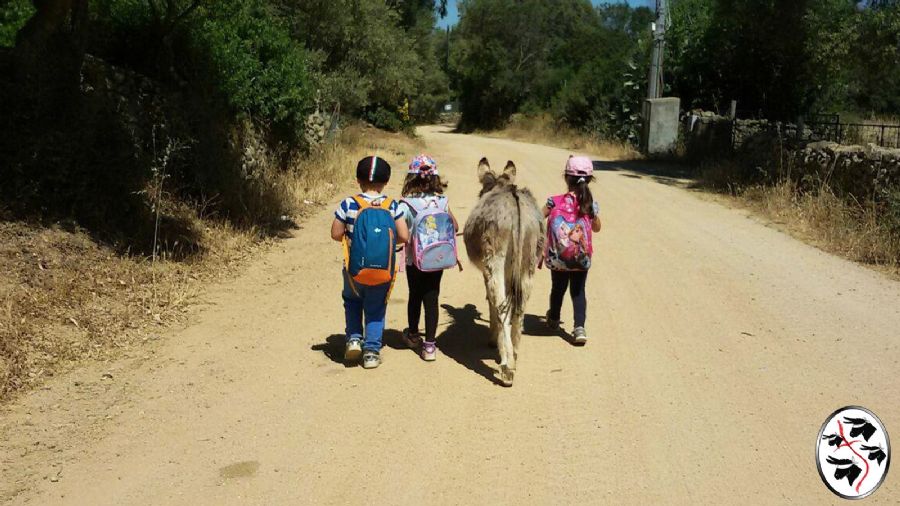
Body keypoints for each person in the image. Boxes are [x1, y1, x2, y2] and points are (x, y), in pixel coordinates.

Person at [331, 155, 409, 369]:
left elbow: (336, 234)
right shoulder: (392, 205)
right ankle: (372, 352)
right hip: (383, 270)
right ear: (386, 182)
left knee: (352, 302)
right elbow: (404, 236)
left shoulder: (348, 203)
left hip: (353, 269)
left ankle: (354, 339)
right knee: (376, 308)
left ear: (358, 179)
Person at [397, 154, 459, 361]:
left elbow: (401, 232)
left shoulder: (406, 204)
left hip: (415, 259)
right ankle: (430, 346)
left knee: (415, 295)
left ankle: (413, 335)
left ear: (411, 178)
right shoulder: (442, 202)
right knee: (432, 298)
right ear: (435, 179)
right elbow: (455, 226)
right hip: (437, 258)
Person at [543, 155, 601, 345]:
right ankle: (579, 328)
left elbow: (537, 217)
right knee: (578, 291)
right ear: (590, 180)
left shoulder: (554, 202)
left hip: (558, 258)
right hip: (581, 258)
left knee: (557, 288)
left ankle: (553, 319)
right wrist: (593, 213)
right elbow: (597, 227)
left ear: (566, 178)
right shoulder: (589, 204)